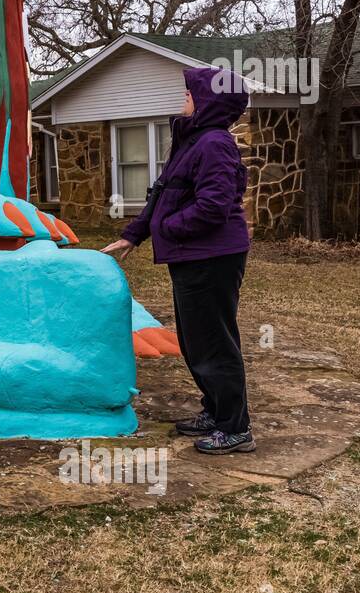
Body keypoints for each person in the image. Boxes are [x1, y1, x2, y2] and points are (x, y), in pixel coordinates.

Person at [102, 66, 254, 454]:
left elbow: (214, 207)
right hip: (193, 256)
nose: (183, 99)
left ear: (209, 101)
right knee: (194, 340)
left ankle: (235, 428)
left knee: (214, 342)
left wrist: (168, 227)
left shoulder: (214, 143)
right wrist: (132, 235)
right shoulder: (193, 140)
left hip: (213, 256)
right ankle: (216, 410)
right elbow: (164, 192)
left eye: (189, 93)